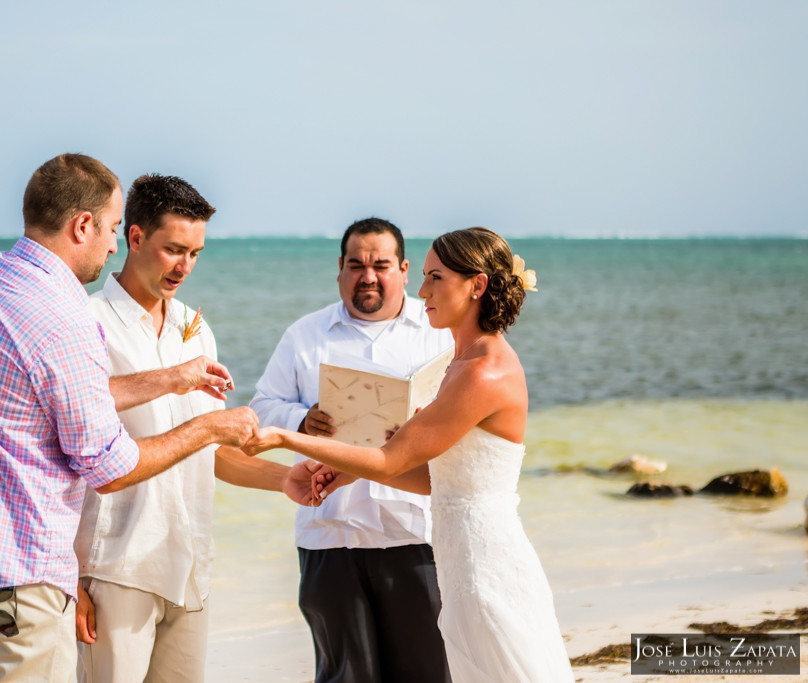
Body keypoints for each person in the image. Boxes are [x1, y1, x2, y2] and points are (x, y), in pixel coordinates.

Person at [0, 154, 258, 683]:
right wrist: (208, 428)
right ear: (82, 225)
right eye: (113, 229)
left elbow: (50, 392)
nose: (113, 245)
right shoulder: (67, 316)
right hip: (12, 583)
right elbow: (108, 467)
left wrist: (171, 378)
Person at [244, 227, 575, 683]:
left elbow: (388, 460)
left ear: (476, 285)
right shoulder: (461, 362)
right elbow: (435, 476)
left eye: (434, 278)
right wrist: (343, 472)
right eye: (423, 276)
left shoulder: (483, 372)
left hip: (480, 560)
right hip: (455, 553)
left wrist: (287, 441)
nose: (422, 291)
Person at [73, 173, 322, 683]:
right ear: (135, 237)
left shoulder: (195, 327)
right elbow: (64, 457)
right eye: (173, 250)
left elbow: (204, 445)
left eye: (196, 253)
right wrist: (71, 580)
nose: (185, 266)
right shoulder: (86, 322)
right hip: (114, 571)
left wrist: (284, 479)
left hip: (190, 568)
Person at [249, 218, 454, 683]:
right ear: (339, 269)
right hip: (330, 533)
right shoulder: (305, 335)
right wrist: (301, 420)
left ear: (403, 270)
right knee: (345, 675)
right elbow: (261, 408)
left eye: (381, 265)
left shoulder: (438, 331)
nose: (368, 275)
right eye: (356, 264)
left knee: (426, 672)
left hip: (415, 532)